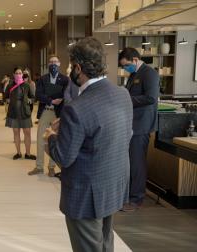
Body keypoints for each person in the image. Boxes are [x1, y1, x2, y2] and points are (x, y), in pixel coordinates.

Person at [45, 37, 133, 252]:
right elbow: (122, 136)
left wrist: (50, 136)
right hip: (112, 184)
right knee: (104, 243)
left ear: (78, 67)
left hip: (85, 193)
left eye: (69, 65)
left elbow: (64, 157)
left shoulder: (77, 107)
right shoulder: (123, 95)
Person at [119, 47, 160, 212]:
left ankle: (136, 200)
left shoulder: (149, 73)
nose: (125, 68)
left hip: (141, 125)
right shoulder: (134, 74)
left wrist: (127, 99)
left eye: (127, 65)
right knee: (130, 162)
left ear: (135, 60)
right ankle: (128, 196)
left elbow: (150, 98)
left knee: (137, 163)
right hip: (131, 124)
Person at [28, 55, 69, 176]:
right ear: (48, 65)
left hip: (58, 113)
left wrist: (60, 99)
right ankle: (39, 167)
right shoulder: (42, 79)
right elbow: (38, 95)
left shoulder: (65, 80)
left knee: (55, 139)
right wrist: (51, 100)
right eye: (51, 62)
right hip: (46, 110)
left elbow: (67, 95)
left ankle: (52, 167)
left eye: (55, 62)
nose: (53, 64)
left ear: (59, 63)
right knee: (41, 138)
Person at [5, 67, 36, 160]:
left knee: (27, 132)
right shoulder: (10, 85)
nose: (19, 74)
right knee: (16, 132)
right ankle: (18, 153)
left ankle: (28, 153)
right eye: (17, 73)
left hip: (25, 112)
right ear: (14, 75)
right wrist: (7, 100)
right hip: (14, 112)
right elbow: (5, 96)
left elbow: (33, 97)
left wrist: (29, 101)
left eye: (20, 73)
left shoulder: (27, 85)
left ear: (22, 74)